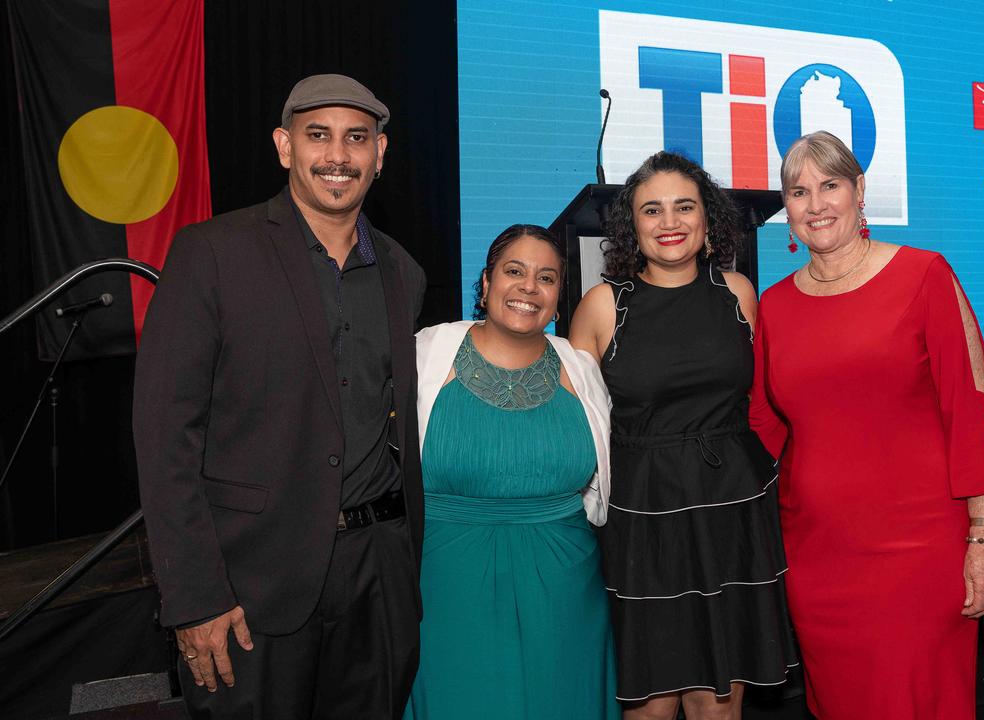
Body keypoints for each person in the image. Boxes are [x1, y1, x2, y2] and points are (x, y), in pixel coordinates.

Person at [134, 74, 427, 719]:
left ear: (381, 154)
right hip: (249, 588)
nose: (337, 156)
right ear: (283, 146)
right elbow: (164, 436)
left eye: (357, 138)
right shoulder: (212, 252)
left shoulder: (404, 272)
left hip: (378, 577)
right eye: (317, 135)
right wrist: (193, 595)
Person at [748, 130, 984, 719]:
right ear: (784, 208)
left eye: (830, 185)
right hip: (817, 558)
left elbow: (975, 414)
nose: (815, 204)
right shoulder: (775, 307)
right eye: (798, 191)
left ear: (860, 191)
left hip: (919, 555)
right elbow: (761, 429)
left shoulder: (923, 276)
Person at [570, 152, 797, 720]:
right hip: (642, 516)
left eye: (684, 206)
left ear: (705, 219)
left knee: (719, 701)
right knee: (648, 702)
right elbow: (576, 425)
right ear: (632, 225)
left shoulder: (739, 293)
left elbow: (765, 402)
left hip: (731, 512)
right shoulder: (602, 306)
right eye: (652, 209)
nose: (669, 221)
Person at [404, 224, 619, 719]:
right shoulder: (423, 354)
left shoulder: (581, 369)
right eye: (514, 272)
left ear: (558, 298)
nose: (529, 287)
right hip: (444, 590)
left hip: (566, 595)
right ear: (485, 284)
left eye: (546, 278)